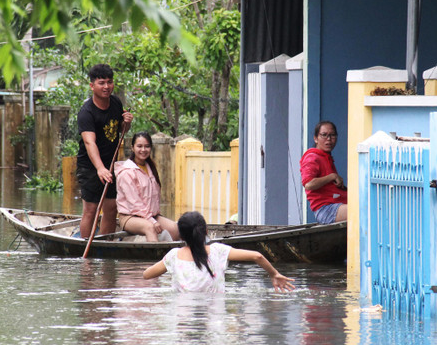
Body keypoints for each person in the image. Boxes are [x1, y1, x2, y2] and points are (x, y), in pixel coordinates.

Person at [143, 211, 295, 293]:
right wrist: (274, 274)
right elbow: (257, 256)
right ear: (206, 231)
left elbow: (147, 275)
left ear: (181, 236)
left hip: (183, 317)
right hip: (213, 318)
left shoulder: (174, 256)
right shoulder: (218, 251)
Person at [76, 64, 133, 239]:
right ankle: (86, 246)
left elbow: (121, 130)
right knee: (91, 209)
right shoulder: (86, 113)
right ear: (92, 86)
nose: (106, 87)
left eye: (109, 82)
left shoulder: (116, 103)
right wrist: (100, 169)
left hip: (111, 164)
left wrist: (127, 122)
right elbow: (89, 142)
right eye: (101, 83)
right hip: (91, 167)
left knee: (111, 207)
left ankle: (105, 245)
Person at [115, 132, 180, 242]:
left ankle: (170, 256)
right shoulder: (127, 172)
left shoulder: (150, 167)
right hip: (130, 217)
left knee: (174, 228)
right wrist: (152, 221)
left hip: (151, 215)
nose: (143, 150)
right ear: (132, 148)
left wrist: (154, 217)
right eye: (139, 146)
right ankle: (154, 258)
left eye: (147, 146)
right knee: (150, 227)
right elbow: (135, 203)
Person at [300, 120, 348, 224]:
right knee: (361, 212)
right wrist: (332, 176)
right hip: (326, 210)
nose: (329, 139)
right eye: (324, 135)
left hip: (336, 205)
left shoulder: (326, 157)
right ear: (315, 138)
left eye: (332, 135)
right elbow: (308, 184)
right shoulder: (312, 157)